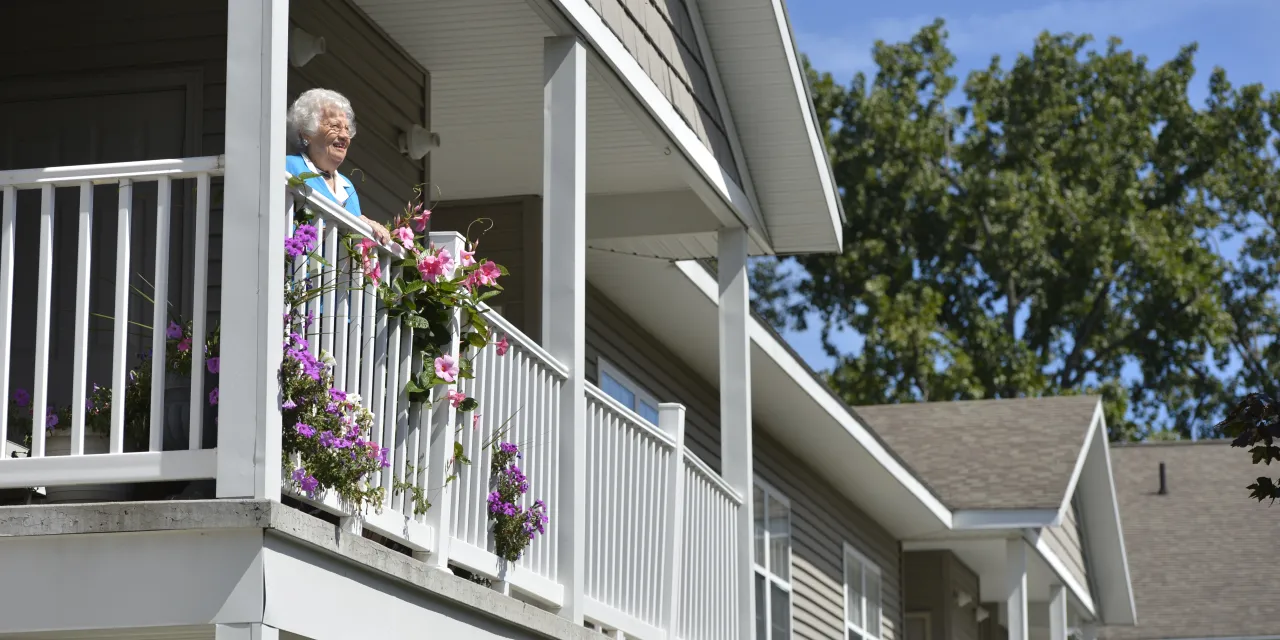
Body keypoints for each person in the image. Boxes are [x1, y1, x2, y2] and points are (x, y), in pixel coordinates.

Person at [285, 88, 391, 244]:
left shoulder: (347, 187)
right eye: (335, 126)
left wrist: (369, 229)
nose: (344, 136)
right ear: (306, 133)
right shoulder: (291, 167)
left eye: (347, 129)